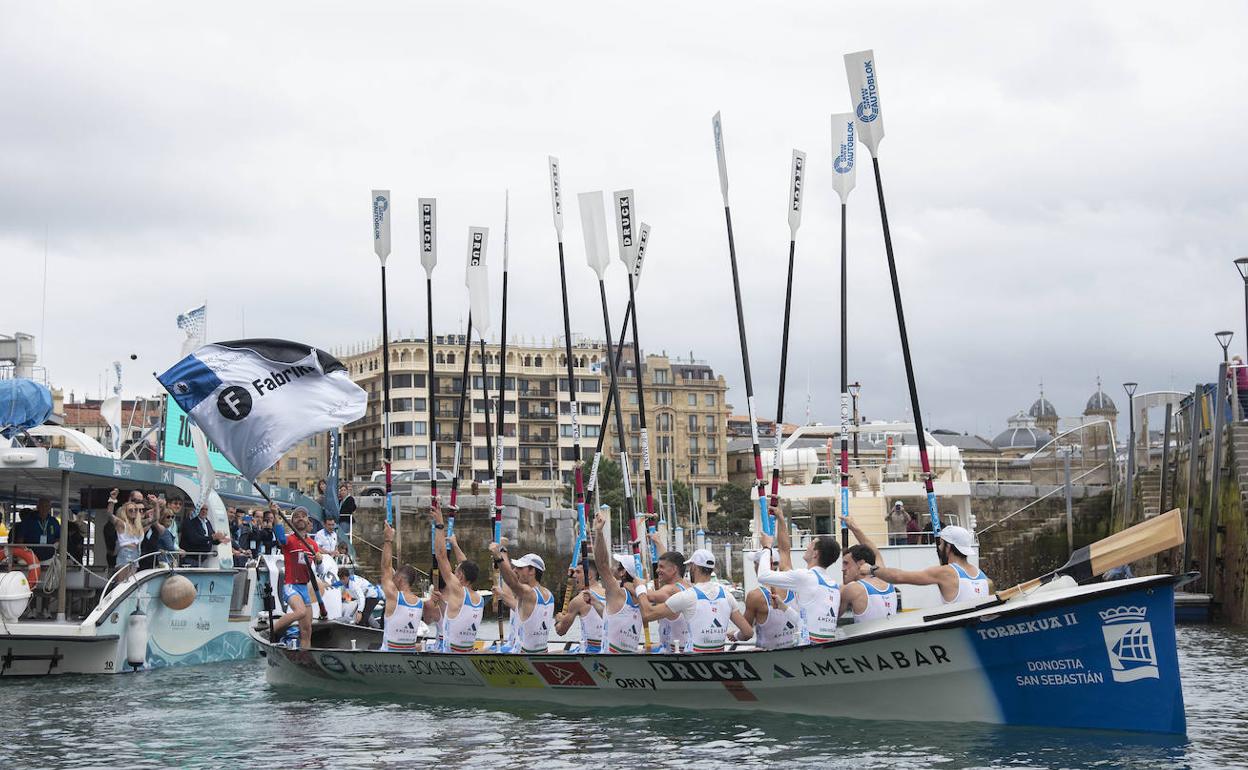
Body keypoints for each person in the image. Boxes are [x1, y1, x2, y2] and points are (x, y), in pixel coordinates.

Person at [639, 545, 752, 652]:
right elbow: (748, 633)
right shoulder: (728, 596)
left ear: (694, 567)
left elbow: (647, 614)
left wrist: (640, 588)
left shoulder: (687, 596)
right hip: (717, 658)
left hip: (690, 659)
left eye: (690, 566)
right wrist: (736, 635)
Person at [757, 507, 841, 645]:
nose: (807, 546)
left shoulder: (805, 577)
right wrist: (783, 607)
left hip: (807, 651)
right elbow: (803, 622)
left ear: (815, 554)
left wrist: (766, 548)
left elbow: (763, 576)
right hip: (822, 650)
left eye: (811, 544)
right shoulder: (834, 586)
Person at [857, 525, 990, 605]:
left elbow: (899, 577)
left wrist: (872, 569)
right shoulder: (982, 576)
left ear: (948, 547)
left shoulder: (945, 572)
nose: (938, 547)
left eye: (941, 544)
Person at [588, 507, 643, 654]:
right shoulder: (644, 598)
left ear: (624, 572)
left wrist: (599, 532)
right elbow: (614, 616)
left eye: (619, 566)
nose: (615, 569)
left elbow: (602, 565)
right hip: (629, 662)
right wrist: (596, 603)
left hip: (608, 664)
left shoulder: (617, 593)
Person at [429, 503, 483, 653]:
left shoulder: (458, 591)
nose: (453, 572)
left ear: (460, 576)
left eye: (455, 571)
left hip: (451, 656)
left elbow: (440, 556)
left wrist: (439, 524)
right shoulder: (480, 599)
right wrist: (454, 544)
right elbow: (465, 564)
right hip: (467, 653)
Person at [378, 522, 437, 651]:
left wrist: (388, 540)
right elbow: (430, 620)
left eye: (395, 576)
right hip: (409, 655)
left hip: (389, 656)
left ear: (399, 579)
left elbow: (385, 567)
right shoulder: (420, 604)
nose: (393, 579)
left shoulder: (394, 596)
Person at [270, 507, 323, 649]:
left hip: (304, 587)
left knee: (307, 631)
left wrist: (319, 560)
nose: (300, 518)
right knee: (300, 612)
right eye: (296, 516)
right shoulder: (289, 540)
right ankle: (271, 632)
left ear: (308, 521)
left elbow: (319, 570)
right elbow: (280, 537)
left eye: (303, 516)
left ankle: (305, 657)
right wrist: (276, 515)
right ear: (292, 522)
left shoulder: (313, 545)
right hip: (290, 585)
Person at [489, 540, 554, 655]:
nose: (515, 570)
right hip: (541, 653)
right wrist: (502, 594)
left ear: (532, 571)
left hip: (523, 656)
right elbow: (518, 608)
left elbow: (512, 582)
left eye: (520, 568)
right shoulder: (548, 594)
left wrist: (499, 558)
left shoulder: (529, 593)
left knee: (485, 652)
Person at [738, 549, 800, 649]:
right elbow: (785, 549)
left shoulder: (755, 596)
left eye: (755, 563)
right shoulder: (793, 586)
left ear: (760, 566)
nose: (754, 567)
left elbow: (746, 634)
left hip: (766, 657)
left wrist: (735, 635)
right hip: (794, 651)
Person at [643, 530, 691, 654]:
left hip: (677, 653)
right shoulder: (686, 585)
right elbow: (669, 561)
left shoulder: (671, 589)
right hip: (675, 647)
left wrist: (635, 583)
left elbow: (650, 596)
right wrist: (657, 542)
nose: (658, 570)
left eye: (661, 567)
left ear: (674, 569)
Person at [841, 517, 897, 623]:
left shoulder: (852, 589)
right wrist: (855, 529)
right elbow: (875, 551)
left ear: (861, 564)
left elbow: (829, 619)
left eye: (846, 563)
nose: (843, 569)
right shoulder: (884, 578)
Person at [554, 559, 604, 653]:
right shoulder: (610, 595)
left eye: (578, 572)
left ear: (589, 576)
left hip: (589, 652)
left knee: (553, 654)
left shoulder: (579, 600)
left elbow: (561, 631)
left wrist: (558, 620)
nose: (574, 575)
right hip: (607, 650)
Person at [105, 490, 148, 581]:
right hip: (125, 553)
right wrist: (112, 499)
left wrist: (156, 504)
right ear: (125, 512)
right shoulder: (122, 524)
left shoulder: (138, 525)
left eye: (135, 510)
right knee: (121, 584)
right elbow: (109, 515)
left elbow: (155, 518)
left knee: (131, 583)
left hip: (136, 554)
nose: (133, 511)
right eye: (130, 510)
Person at [20, 497, 61, 561]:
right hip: (31, 558)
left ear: (50, 508)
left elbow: (58, 537)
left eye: (46, 506)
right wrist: (22, 555)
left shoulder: (53, 521)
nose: (44, 508)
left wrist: (57, 544)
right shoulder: (28, 521)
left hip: (49, 557)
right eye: (42, 506)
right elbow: (20, 539)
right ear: (37, 507)